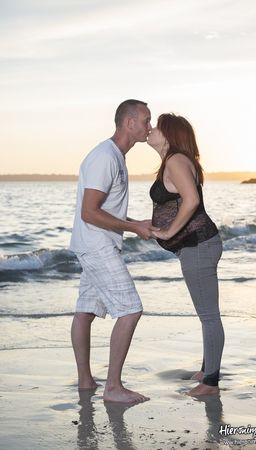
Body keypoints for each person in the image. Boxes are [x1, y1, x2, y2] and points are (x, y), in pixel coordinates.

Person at [70, 99, 158, 403]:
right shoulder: (105, 157)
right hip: (97, 246)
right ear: (129, 123)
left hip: (96, 244)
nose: (150, 127)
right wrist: (133, 229)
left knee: (85, 313)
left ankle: (86, 382)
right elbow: (89, 212)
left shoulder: (115, 156)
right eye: (147, 120)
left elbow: (105, 210)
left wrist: (138, 223)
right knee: (131, 309)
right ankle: (113, 388)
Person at [147, 113, 224, 396]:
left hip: (198, 246)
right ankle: (208, 370)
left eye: (156, 126)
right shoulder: (175, 160)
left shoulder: (176, 160)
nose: (150, 130)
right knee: (207, 314)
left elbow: (191, 201)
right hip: (198, 245)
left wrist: (167, 233)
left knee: (208, 316)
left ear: (169, 134)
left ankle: (210, 384)